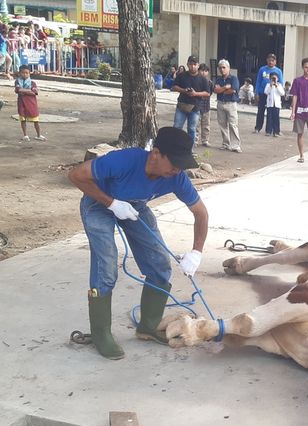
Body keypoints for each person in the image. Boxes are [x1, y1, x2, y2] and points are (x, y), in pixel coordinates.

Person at [67, 127, 209, 360]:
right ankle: (100, 332)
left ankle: (148, 327)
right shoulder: (124, 161)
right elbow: (75, 175)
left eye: (182, 164)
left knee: (160, 265)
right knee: (107, 266)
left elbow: (201, 213)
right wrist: (111, 203)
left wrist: (196, 252)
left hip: (135, 207)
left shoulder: (176, 177)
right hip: (98, 204)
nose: (177, 169)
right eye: (174, 162)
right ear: (156, 153)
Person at [171, 55, 211, 147]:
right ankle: (174, 146)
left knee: (192, 129)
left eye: (195, 64)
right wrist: (184, 90)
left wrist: (196, 94)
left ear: (198, 65)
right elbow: (174, 87)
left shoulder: (203, 79)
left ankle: (190, 149)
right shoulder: (182, 75)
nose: (192, 66)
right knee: (177, 127)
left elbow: (207, 93)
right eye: (190, 64)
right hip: (182, 105)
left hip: (195, 107)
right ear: (187, 64)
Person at [214, 59, 242, 153]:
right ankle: (226, 143)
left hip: (231, 104)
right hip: (220, 103)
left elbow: (233, 90)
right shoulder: (218, 79)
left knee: (233, 124)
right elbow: (216, 90)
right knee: (222, 124)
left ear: (228, 68)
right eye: (220, 68)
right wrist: (225, 88)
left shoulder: (234, 78)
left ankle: (235, 145)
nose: (222, 69)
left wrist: (222, 90)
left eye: (224, 67)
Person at [254, 53, 283, 133]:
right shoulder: (262, 69)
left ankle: (273, 129)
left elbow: (281, 82)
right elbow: (258, 81)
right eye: (269, 60)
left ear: (275, 62)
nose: (270, 62)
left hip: (272, 94)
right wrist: (257, 92)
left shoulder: (278, 71)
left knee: (272, 112)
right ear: (267, 60)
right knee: (260, 111)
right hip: (263, 93)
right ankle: (258, 127)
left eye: (272, 60)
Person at [15, 65, 45, 141]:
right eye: (23, 73)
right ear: (19, 73)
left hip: (32, 103)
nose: (25, 74)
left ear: (29, 74)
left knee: (36, 120)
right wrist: (29, 91)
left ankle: (38, 135)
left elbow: (34, 92)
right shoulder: (17, 81)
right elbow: (18, 90)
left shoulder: (33, 83)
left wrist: (23, 90)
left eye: (26, 73)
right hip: (22, 103)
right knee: (23, 119)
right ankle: (25, 135)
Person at [196, 63, 213, 147]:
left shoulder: (210, 83)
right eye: (202, 70)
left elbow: (210, 93)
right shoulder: (195, 81)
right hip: (197, 106)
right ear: (198, 71)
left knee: (206, 124)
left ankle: (205, 140)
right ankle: (195, 140)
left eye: (206, 71)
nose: (203, 72)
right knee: (196, 124)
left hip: (206, 106)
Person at [264, 73, 284, 137]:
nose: (274, 79)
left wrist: (276, 86)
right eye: (272, 78)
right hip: (270, 104)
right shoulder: (268, 85)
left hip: (277, 104)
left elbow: (282, 93)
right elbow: (266, 92)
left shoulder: (279, 85)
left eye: (275, 78)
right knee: (269, 118)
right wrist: (270, 86)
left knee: (276, 118)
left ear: (277, 79)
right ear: (270, 79)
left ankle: (276, 131)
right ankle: (268, 131)